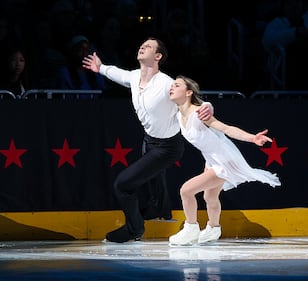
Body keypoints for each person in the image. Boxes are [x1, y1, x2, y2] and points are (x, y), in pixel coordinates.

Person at [82, 37, 213, 243]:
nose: (142, 46)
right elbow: (121, 75)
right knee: (149, 192)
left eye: (149, 46)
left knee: (123, 185)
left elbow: (189, 100)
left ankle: (134, 229)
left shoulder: (166, 84)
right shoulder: (135, 77)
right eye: (142, 44)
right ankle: (156, 209)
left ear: (158, 56)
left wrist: (206, 108)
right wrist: (101, 68)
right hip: (149, 142)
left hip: (167, 148)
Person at [168, 75, 281, 246]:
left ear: (189, 92)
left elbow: (226, 128)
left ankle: (191, 228)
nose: (172, 88)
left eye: (176, 85)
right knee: (210, 196)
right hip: (211, 160)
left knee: (186, 191)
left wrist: (252, 138)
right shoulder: (178, 115)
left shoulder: (200, 112)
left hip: (225, 161)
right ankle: (214, 228)